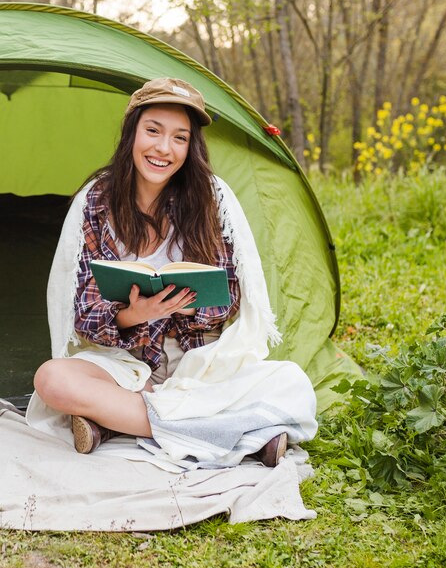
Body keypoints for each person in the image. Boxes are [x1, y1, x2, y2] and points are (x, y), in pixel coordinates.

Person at [30, 78, 315, 467]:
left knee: (292, 384)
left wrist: (185, 307)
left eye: (179, 138)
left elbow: (228, 297)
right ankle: (236, 435)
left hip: (199, 362)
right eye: (153, 131)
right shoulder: (97, 200)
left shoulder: (209, 198)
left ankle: (112, 424)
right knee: (51, 380)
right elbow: (82, 310)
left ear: (190, 147)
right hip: (126, 362)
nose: (164, 149)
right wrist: (135, 314)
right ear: (132, 133)